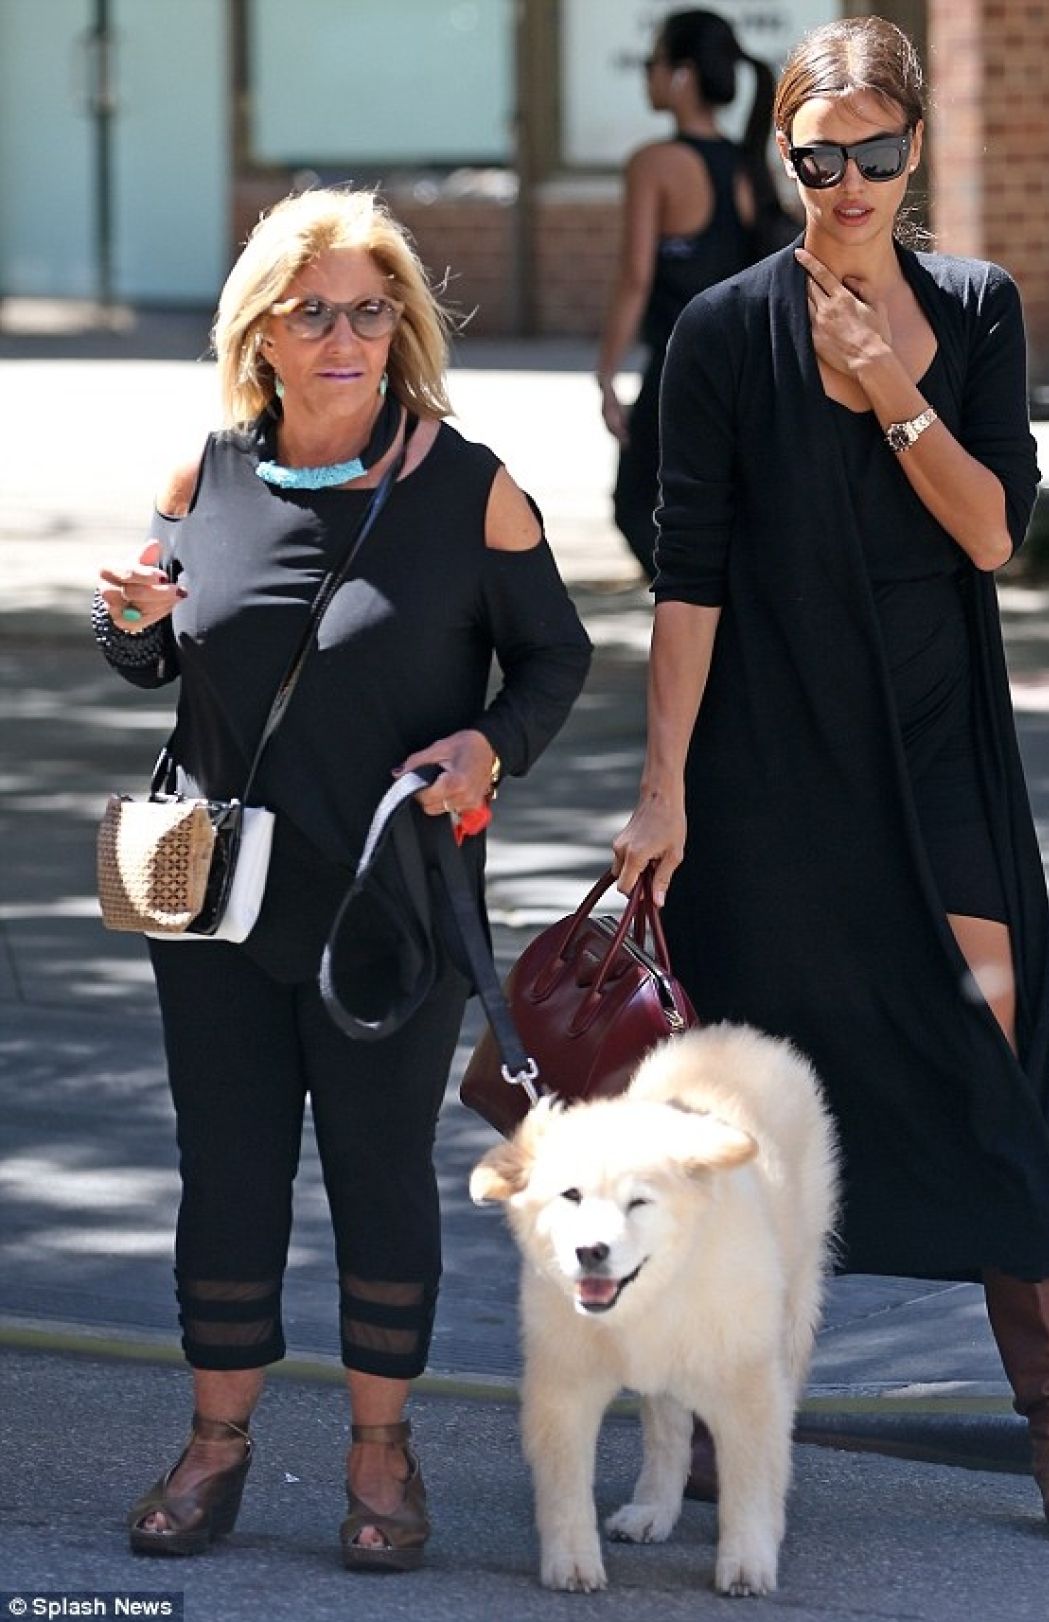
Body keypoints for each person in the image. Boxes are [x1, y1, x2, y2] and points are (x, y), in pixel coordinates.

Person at [612, 16, 1049, 1533]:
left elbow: (993, 532)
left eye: (874, 154)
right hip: (769, 758)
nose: (846, 184)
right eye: (818, 158)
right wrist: (663, 788)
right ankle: (719, 1407)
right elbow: (688, 577)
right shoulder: (723, 332)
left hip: (937, 742)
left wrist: (892, 383)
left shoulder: (975, 308)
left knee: (987, 1056)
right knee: (751, 1098)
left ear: (915, 151)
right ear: (785, 156)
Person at [93, 188, 592, 1568]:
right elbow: (155, 652)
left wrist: (491, 745)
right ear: (261, 332)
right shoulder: (205, 479)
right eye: (312, 312)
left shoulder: (470, 487)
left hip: (389, 905)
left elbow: (556, 654)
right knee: (226, 1169)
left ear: (401, 327)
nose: (344, 337)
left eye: (370, 310)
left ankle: (382, 1450)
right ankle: (215, 1442)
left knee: (380, 1174)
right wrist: (127, 621)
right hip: (217, 902)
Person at [595, 8, 790, 576]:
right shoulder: (749, 166)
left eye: (652, 63)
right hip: (749, 372)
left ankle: (699, 617)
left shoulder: (655, 164)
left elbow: (634, 277)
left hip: (680, 370)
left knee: (638, 507)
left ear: (681, 74)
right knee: (728, 512)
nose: (647, 76)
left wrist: (606, 374)